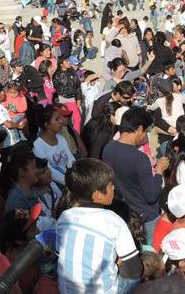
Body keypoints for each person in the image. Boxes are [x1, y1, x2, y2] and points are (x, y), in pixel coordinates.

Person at [56, 158, 143, 294]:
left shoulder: (64, 218)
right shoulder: (113, 221)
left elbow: (61, 254)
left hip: (66, 291)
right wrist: (115, 265)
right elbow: (135, 270)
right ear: (97, 195)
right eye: (110, 186)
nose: (114, 188)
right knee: (135, 276)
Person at [102, 107, 168, 245]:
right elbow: (151, 195)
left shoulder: (108, 148)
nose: (145, 137)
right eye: (145, 131)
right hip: (145, 218)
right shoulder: (139, 158)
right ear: (138, 129)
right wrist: (160, 171)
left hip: (124, 214)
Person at [33, 105, 77, 187]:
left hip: (68, 179)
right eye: (57, 119)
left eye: (60, 118)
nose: (61, 121)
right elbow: (50, 171)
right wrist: (71, 183)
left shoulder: (60, 138)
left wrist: (76, 173)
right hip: (54, 185)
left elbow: (70, 159)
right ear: (46, 124)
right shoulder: (38, 145)